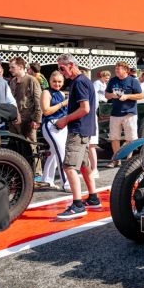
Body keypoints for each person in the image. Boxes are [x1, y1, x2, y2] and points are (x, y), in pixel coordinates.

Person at [54, 54, 100, 219]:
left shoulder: (79, 82)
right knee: (83, 165)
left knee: (69, 166)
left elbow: (85, 108)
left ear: (71, 65)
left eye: (62, 68)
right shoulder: (83, 81)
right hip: (84, 129)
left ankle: (78, 204)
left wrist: (64, 119)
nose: (61, 72)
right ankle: (93, 198)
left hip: (78, 129)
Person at [105, 61, 144, 168]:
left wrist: (127, 96)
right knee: (114, 138)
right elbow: (106, 94)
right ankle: (116, 159)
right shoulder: (113, 80)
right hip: (115, 113)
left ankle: (128, 160)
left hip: (129, 113)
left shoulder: (133, 80)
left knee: (130, 138)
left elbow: (141, 95)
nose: (116, 70)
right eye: (116, 68)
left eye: (119, 68)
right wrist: (111, 95)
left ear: (125, 70)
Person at [41, 71, 70, 191]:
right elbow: (46, 111)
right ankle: (67, 183)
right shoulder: (46, 92)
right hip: (51, 125)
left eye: (59, 82)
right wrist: (62, 104)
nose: (57, 84)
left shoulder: (62, 93)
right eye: (54, 81)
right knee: (61, 153)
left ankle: (47, 179)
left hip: (62, 125)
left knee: (53, 152)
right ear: (49, 81)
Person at [8, 57, 43, 143]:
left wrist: (36, 120)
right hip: (15, 121)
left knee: (30, 147)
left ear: (20, 67)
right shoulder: (12, 81)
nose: (10, 70)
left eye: (12, 67)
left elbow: (38, 101)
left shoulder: (32, 80)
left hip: (28, 121)